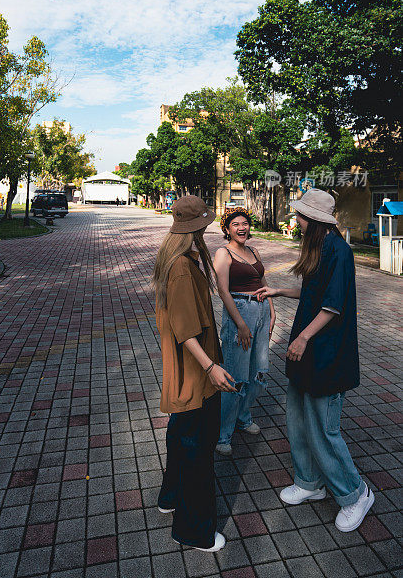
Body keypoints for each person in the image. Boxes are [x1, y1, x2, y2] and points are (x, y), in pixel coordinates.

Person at [254, 188, 374, 532]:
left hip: (327, 355)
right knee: (298, 420)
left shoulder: (338, 250)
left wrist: (304, 337)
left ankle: (356, 494)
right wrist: (279, 290)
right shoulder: (318, 247)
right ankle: (309, 482)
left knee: (324, 428)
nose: (297, 219)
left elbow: (333, 305)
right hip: (306, 354)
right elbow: (313, 293)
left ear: (315, 220)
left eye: (301, 215)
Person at [154, 195, 237, 552]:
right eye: (203, 225)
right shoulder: (183, 269)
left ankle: (170, 496)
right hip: (196, 373)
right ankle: (193, 530)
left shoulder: (178, 257)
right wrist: (211, 368)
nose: (207, 229)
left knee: (180, 435)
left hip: (187, 373)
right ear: (194, 228)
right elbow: (186, 330)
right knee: (197, 449)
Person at [214, 207, 276, 455]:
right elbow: (223, 290)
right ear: (227, 229)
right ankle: (224, 434)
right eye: (235, 224)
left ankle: (243, 416)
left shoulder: (254, 251)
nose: (241, 228)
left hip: (260, 312)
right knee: (235, 376)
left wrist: (272, 310)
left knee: (259, 372)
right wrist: (240, 323)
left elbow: (263, 283)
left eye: (245, 223)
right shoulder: (223, 252)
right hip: (239, 312)